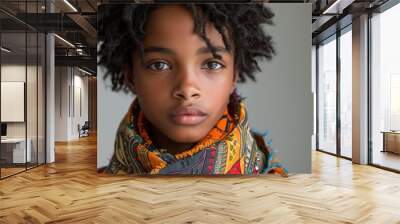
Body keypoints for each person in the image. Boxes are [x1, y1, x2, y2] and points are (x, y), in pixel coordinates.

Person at [98, 3, 288, 176]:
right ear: (131, 75)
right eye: (159, 65)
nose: (187, 89)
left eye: (212, 64)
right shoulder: (100, 191)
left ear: (234, 76)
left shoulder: (277, 187)